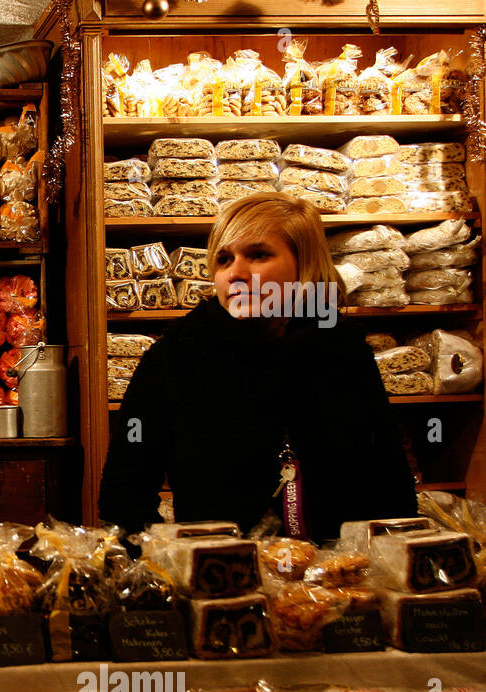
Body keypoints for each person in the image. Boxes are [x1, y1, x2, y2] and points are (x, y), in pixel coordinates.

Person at [98, 192, 418, 542]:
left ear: (304, 264)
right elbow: (123, 495)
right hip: (223, 582)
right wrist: (171, 566)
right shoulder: (176, 358)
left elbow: (391, 479)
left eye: (258, 255)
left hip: (337, 581)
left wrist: (386, 569)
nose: (235, 273)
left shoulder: (344, 352)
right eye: (223, 260)